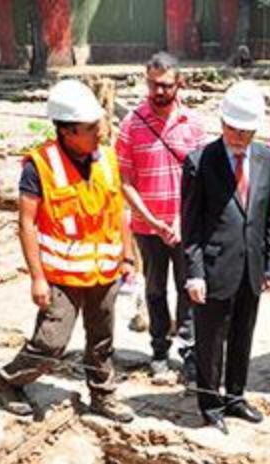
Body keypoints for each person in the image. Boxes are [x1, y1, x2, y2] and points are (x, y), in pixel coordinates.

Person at [0, 79, 136, 423]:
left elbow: (117, 209)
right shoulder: (39, 167)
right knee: (51, 343)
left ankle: (103, 395)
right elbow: (27, 224)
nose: (100, 133)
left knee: (101, 339)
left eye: (99, 125)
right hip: (61, 276)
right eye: (91, 129)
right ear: (67, 132)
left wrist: (128, 256)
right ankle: (10, 382)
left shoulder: (106, 159)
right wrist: (37, 279)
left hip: (104, 272)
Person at [181, 81, 270, 434]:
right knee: (210, 342)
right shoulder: (200, 161)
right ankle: (210, 403)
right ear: (221, 123)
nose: (238, 136)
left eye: (246, 130)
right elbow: (191, 225)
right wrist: (194, 273)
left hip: (252, 267)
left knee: (244, 335)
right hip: (213, 268)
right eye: (232, 128)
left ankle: (236, 396)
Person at [116, 52, 206, 382]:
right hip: (146, 226)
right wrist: (153, 221)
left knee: (189, 289)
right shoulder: (131, 125)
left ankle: (189, 351)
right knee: (155, 290)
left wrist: (183, 220)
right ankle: (157, 350)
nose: (158, 92)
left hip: (186, 225)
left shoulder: (193, 126)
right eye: (153, 84)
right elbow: (124, 182)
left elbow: (201, 181)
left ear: (179, 84)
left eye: (166, 85)